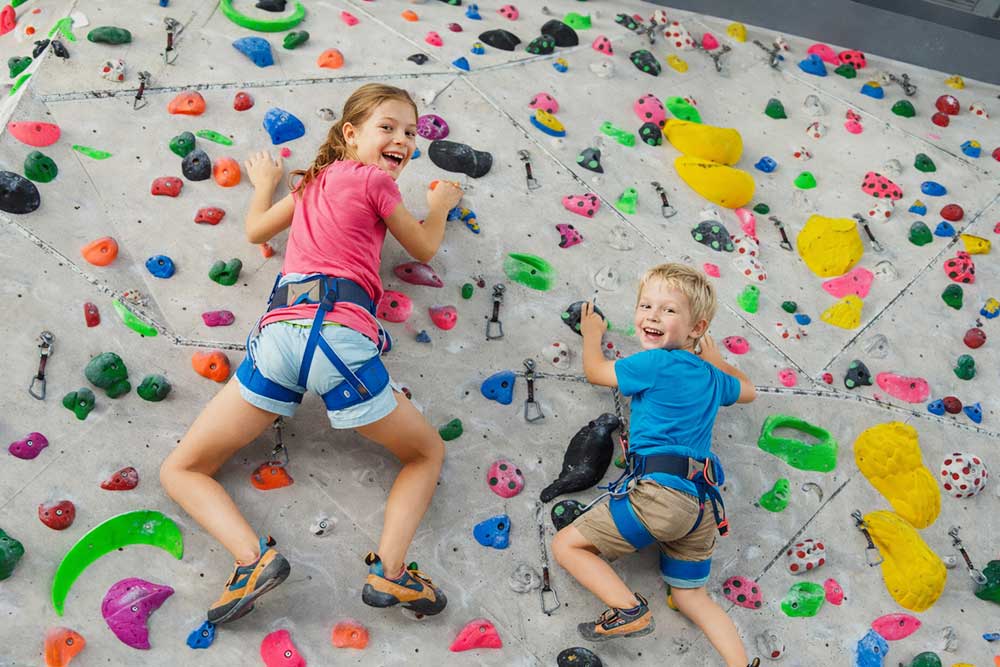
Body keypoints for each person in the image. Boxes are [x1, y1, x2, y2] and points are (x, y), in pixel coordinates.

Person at [160, 83, 463, 625]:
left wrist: (266, 184)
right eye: (387, 127)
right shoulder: (373, 179)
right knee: (425, 454)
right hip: (337, 339)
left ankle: (252, 560)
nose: (403, 140)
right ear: (350, 134)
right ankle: (391, 573)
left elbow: (255, 229)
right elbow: (421, 247)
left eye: (411, 133)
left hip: (278, 335)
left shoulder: (313, 183)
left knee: (183, 469)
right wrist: (438, 207)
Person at [551, 263, 760, 667]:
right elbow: (748, 391)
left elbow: (596, 372)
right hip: (701, 506)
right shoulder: (713, 378)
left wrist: (592, 334)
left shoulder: (657, 363)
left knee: (567, 545)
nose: (652, 315)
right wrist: (717, 360)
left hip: (660, 496)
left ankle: (628, 609)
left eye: (668, 310)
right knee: (689, 595)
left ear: (695, 328)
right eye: (646, 305)